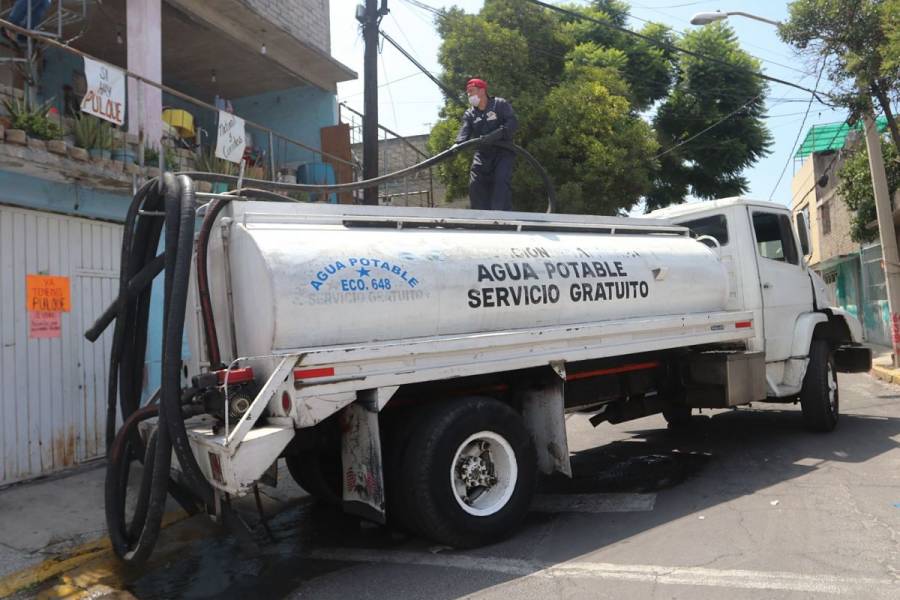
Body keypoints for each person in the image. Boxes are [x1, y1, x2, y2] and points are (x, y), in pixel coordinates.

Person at [455, 78, 518, 211]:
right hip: (482, 154)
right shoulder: (470, 113)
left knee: (500, 182)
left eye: (471, 91)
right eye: (468, 93)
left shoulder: (499, 104)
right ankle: (481, 218)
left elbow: (512, 123)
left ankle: (501, 217)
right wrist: (457, 144)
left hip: (503, 153)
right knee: (475, 185)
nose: (469, 95)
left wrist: (496, 135)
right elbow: (464, 131)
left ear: (482, 90)